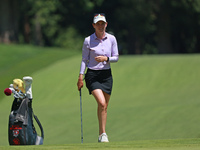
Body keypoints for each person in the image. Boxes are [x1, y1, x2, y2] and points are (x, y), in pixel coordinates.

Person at [77, 13, 119, 143]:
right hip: (92, 75)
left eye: (103, 23)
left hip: (106, 75)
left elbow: (116, 57)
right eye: (98, 24)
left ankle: (101, 134)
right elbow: (84, 59)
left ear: (106, 24)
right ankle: (104, 134)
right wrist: (80, 76)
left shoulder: (111, 39)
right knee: (101, 103)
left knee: (104, 106)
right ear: (94, 25)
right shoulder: (88, 40)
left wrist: (106, 58)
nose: (100, 26)